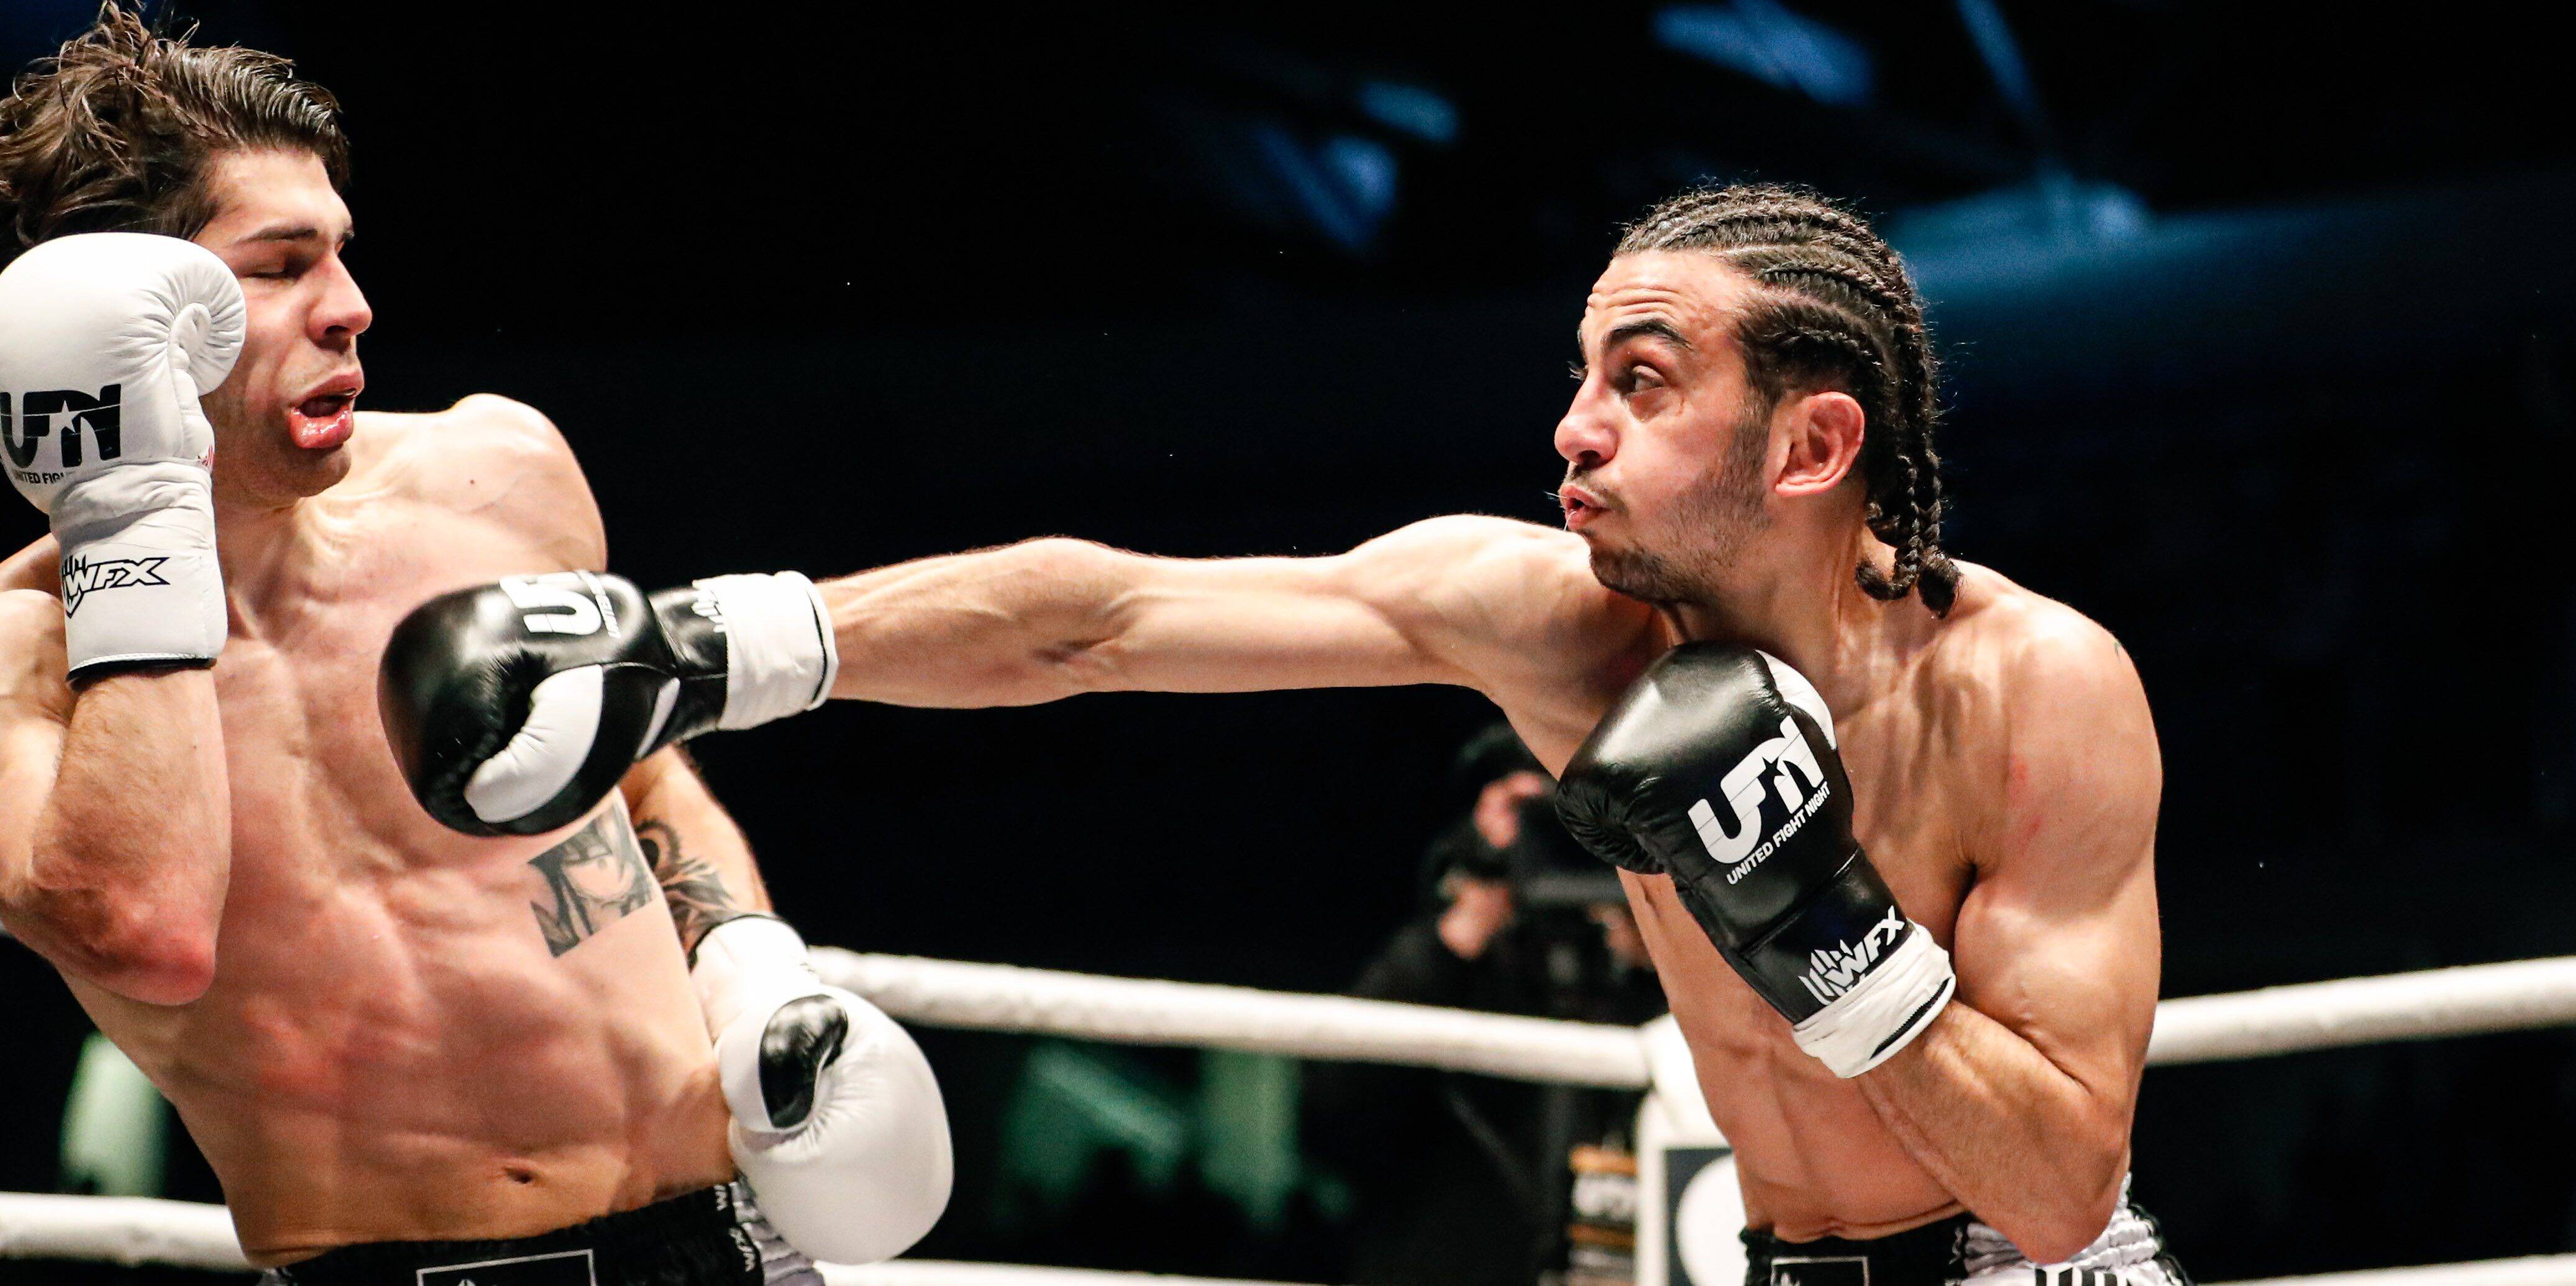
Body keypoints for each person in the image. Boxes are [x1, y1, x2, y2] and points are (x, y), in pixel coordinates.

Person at [389, 181, 2181, 1286]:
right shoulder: (1556, 628)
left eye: (1639, 383)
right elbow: (1102, 620)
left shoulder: (2035, 690)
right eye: (1579, 374)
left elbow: (2053, 1182)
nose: (1571, 431)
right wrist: (713, 645)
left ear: (1808, 448)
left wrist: (1821, 920)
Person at [0, 0, 951, 1281]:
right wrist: (132, 511)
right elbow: (143, 928)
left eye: (341, 252)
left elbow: (633, 762)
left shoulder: (492, 475)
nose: (351, 308)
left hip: (730, 1244)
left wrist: (752, 964)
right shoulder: (22, 661)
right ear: (134, 320)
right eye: (280, 266)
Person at [1301, 724, 1661, 1286]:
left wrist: (1661, 947)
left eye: (1587, 827)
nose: (1566, 842)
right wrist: (1465, 924)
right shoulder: (1448, 971)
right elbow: (1333, 1115)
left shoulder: (1640, 971)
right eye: (1547, 820)